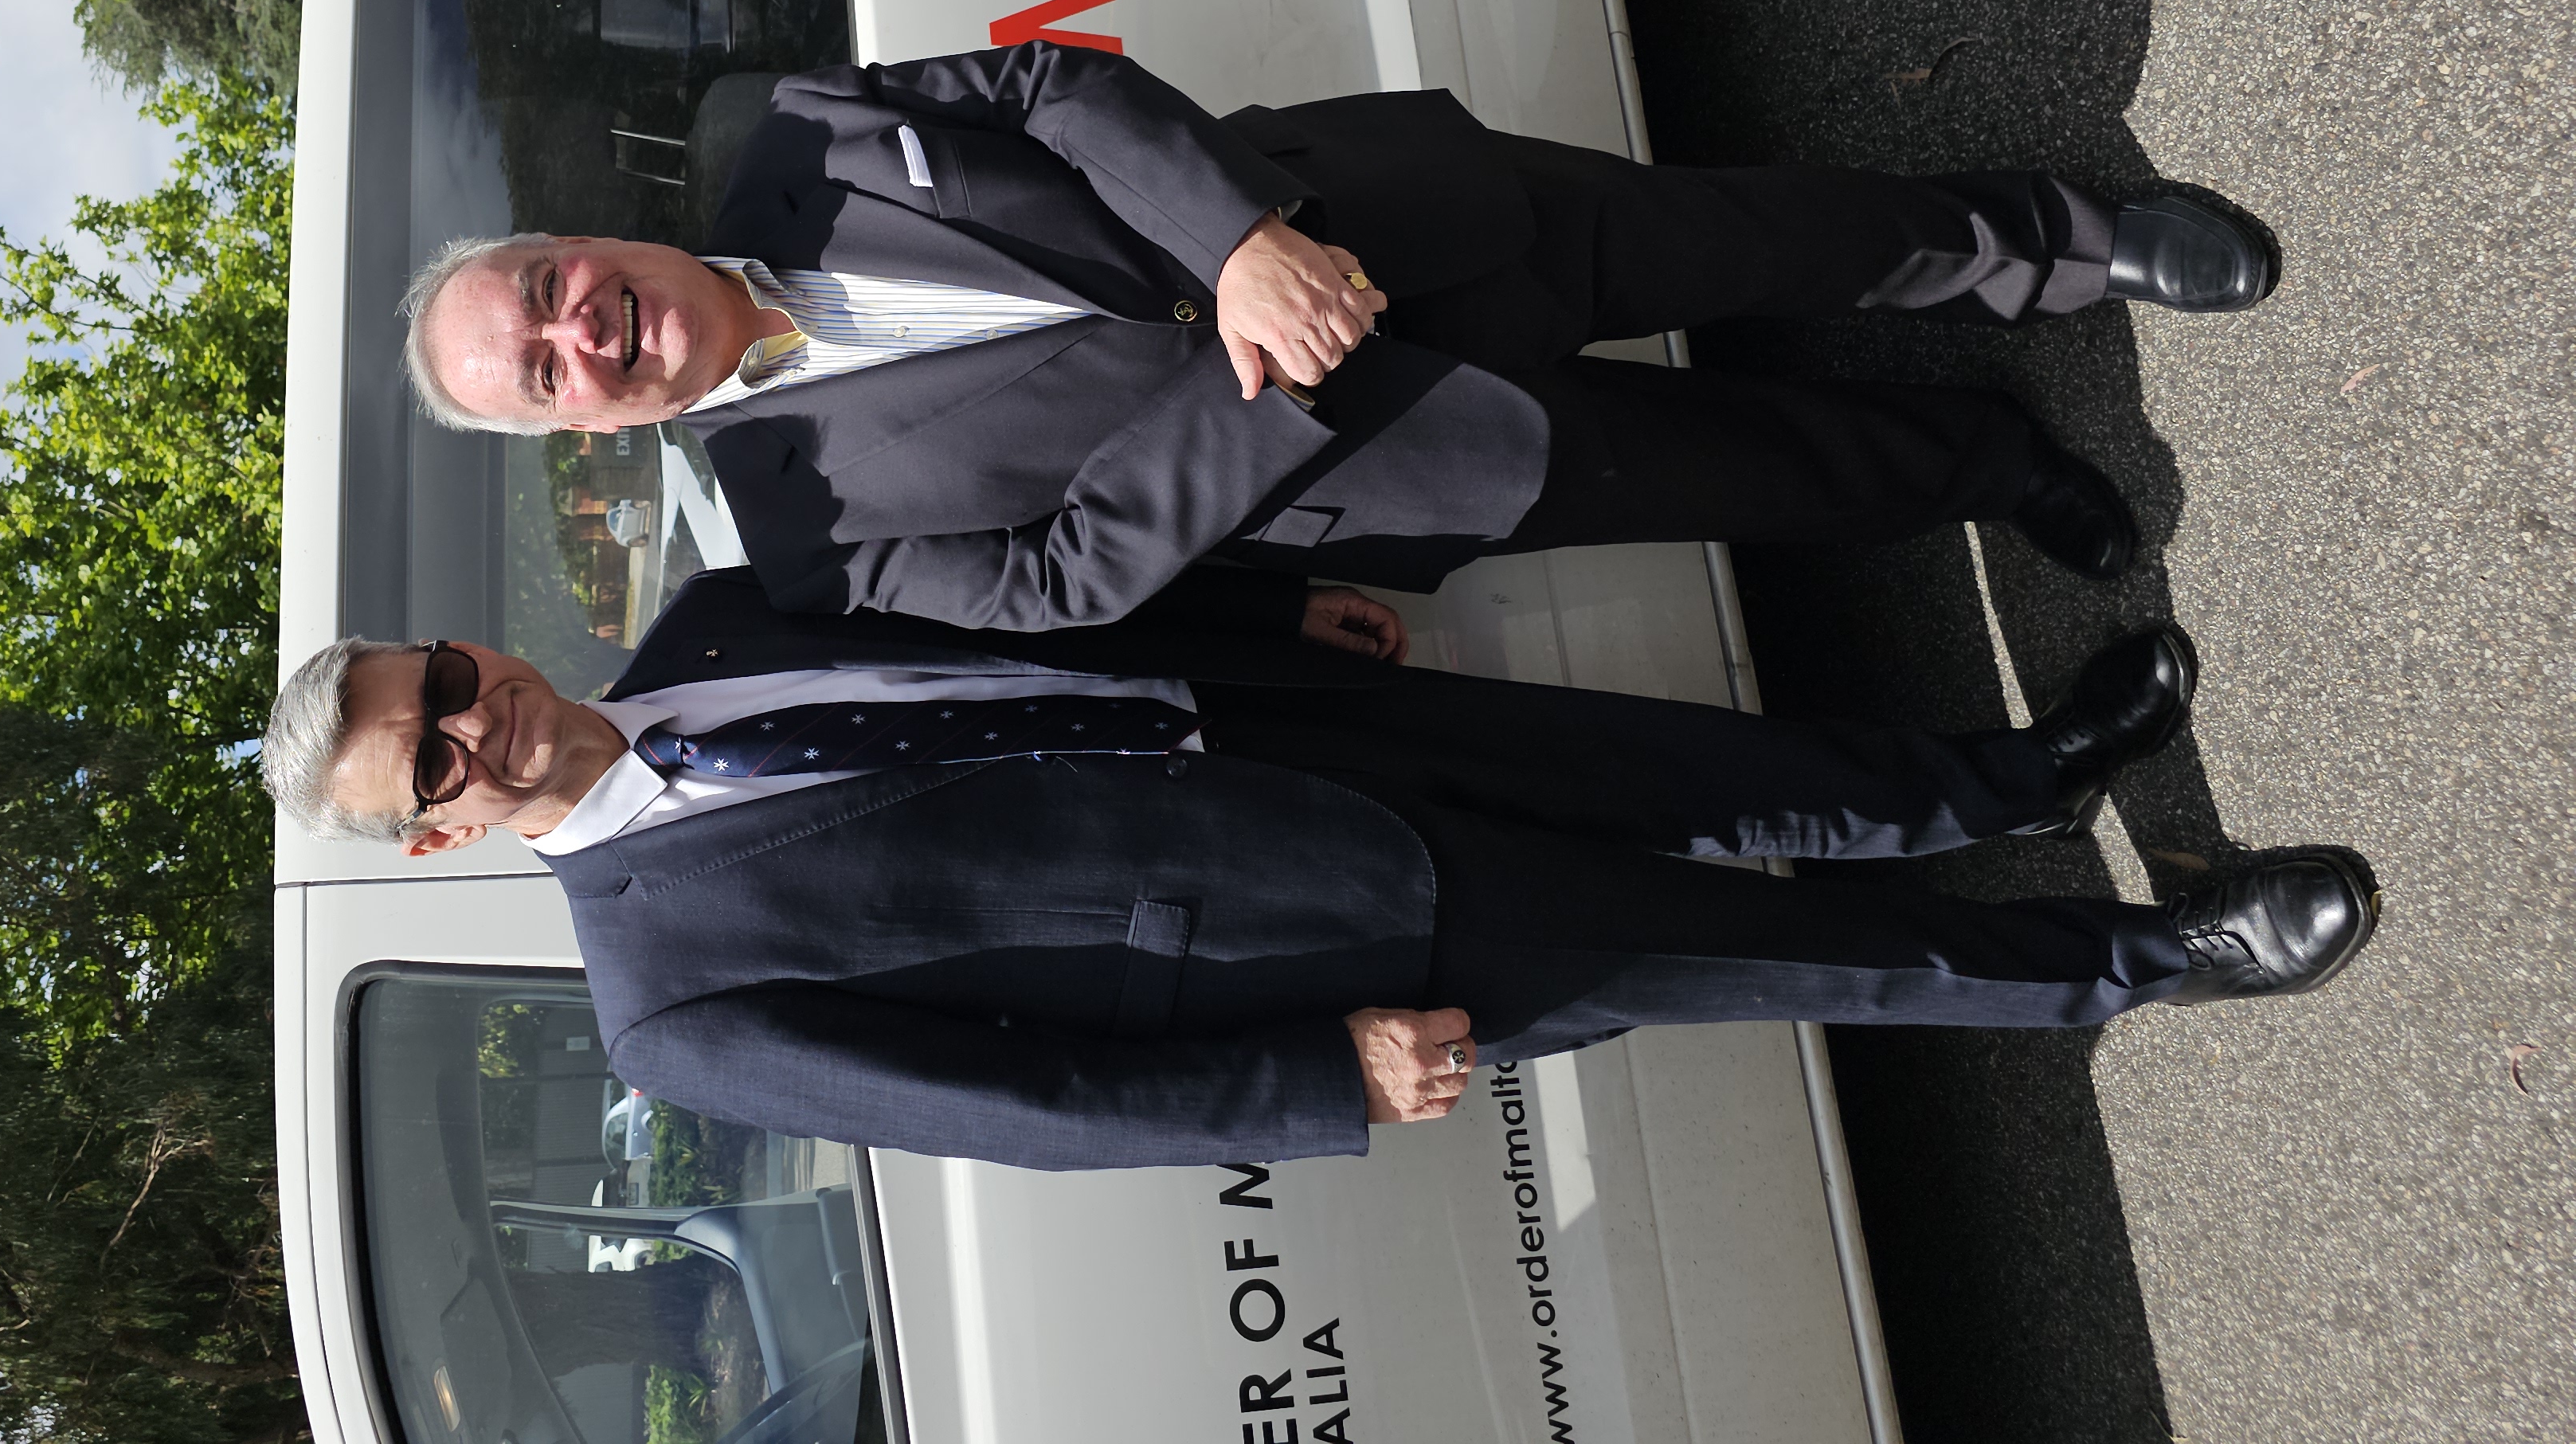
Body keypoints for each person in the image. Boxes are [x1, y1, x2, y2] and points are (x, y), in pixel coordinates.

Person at [262, 570, 2376, 1172]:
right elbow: (1013, 1104)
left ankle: (2017, 766)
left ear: (469, 639)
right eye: (427, 765)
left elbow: (1014, 617)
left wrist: (1269, 623)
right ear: (441, 835)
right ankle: (2149, 955)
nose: (470, 727)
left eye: (440, 680)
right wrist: (1311, 1082)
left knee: (1708, 769)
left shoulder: (713, 632)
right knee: (1777, 950)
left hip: (1297, 732)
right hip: (1329, 937)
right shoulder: (671, 1012)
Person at [399, 44, 2277, 631]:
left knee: (1763, 237)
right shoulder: (786, 533)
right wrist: (1264, 367)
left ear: (576, 238)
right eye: (545, 371)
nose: (583, 334)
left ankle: (2063, 241)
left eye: (547, 292)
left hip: (1373, 218)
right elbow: (1057, 585)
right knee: (1748, 477)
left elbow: (1048, 86)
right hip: (1362, 455)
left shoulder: (776, 133)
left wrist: (1235, 245)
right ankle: (1990, 465)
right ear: (575, 431)